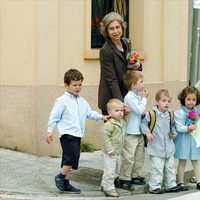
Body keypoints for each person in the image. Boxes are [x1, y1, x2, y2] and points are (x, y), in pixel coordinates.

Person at [46, 69, 109, 193]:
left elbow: (90, 113)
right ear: (66, 85)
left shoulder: (82, 101)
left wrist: (102, 117)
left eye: (80, 85)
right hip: (67, 134)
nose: (77, 87)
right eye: (74, 85)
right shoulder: (62, 101)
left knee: (67, 159)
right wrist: (49, 131)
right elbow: (54, 117)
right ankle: (60, 176)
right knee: (73, 157)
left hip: (78, 134)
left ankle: (66, 183)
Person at [98, 12, 142, 115]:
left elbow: (129, 64)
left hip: (126, 93)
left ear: (122, 27)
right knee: (114, 130)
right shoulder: (105, 50)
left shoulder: (127, 43)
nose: (115, 31)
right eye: (111, 28)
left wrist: (137, 65)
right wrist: (120, 103)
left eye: (118, 27)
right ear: (106, 31)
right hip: (111, 99)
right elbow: (111, 80)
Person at [141, 89, 181, 194]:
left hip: (169, 147)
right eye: (164, 101)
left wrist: (174, 133)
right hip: (156, 147)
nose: (166, 103)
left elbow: (172, 126)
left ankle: (171, 185)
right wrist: (147, 132)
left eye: (168, 101)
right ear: (157, 101)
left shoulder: (171, 114)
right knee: (157, 168)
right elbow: (143, 124)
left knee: (170, 167)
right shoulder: (151, 114)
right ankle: (154, 186)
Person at [118, 70, 148, 190]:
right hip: (130, 132)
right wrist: (144, 99)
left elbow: (140, 113)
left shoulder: (136, 96)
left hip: (139, 131)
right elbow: (139, 110)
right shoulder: (129, 97)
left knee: (139, 155)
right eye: (141, 81)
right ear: (133, 85)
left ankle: (134, 175)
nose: (143, 83)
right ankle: (124, 178)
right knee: (129, 157)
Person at [100, 99, 129, 197]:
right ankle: (109, 189)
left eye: (121, 110)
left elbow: (126, 116)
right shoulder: (109, 125)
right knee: (110, 171)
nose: (120, 112)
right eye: (117, 111)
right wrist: (110, 150)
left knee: (112, 170)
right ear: (109, 112)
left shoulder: (121, 121)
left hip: (117, 152)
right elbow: (105, 138)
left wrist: (126, 110)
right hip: (109, 153)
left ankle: (104, 185)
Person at [174, 86, 200, 190]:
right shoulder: (179, 113)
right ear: (183, 99)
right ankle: (180, 181)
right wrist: (188, 127)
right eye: (188, 99)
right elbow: (179, 127)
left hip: (194, 140)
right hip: (183, 141)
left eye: (194, 99)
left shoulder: (197, 112)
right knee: (182, 161)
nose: (191, 102)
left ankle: (199, 181)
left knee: (196, 160)